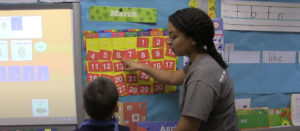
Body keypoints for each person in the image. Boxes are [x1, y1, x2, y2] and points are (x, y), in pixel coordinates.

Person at [121, 8, 240, 131]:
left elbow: (188, 127)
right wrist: (141, 67)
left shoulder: (202, 76)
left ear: (193, 39)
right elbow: (173, 78)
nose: (168, 42)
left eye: (174, 37)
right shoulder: (201, 62)